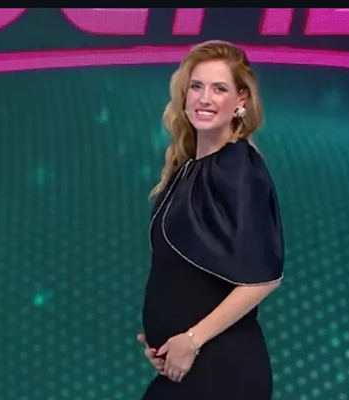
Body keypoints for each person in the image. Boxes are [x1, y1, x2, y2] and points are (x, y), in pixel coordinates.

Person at [138, 40, 285, 400]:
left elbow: (264, 277)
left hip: (222, 369)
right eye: (197, 86)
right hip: (187, 368)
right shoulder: (187, 169)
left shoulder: (238, 167)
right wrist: (164, 345)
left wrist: (191, 340)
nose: (205, 98)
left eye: (219, 88)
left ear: (241, 100)